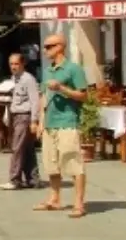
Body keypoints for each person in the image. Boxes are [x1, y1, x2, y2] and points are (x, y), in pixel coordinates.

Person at [34, 34, 88, 218]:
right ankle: (54, 198)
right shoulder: (47, 70)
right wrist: (41, 121)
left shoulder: (74, 69)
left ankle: (79, 203)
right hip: (50, 123)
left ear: (60, 47)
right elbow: (44, 97)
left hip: (67, 122)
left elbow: (83, 95)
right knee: (51, 164)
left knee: (73, 162)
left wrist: (62, 89)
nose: (45, 50)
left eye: (49, 46)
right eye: (45, 46)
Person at [0, 53, 40, 191]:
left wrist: (34, 120)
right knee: (27, 148)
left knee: (17, 147)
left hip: (24, 116)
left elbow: (35, 100)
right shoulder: (13, 79)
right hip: (15, 115)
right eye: (11, 64)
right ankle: (32, 179)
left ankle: (14, 179)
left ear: (23, 64)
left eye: (16, 64)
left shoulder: (28, 79)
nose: (13, 67)